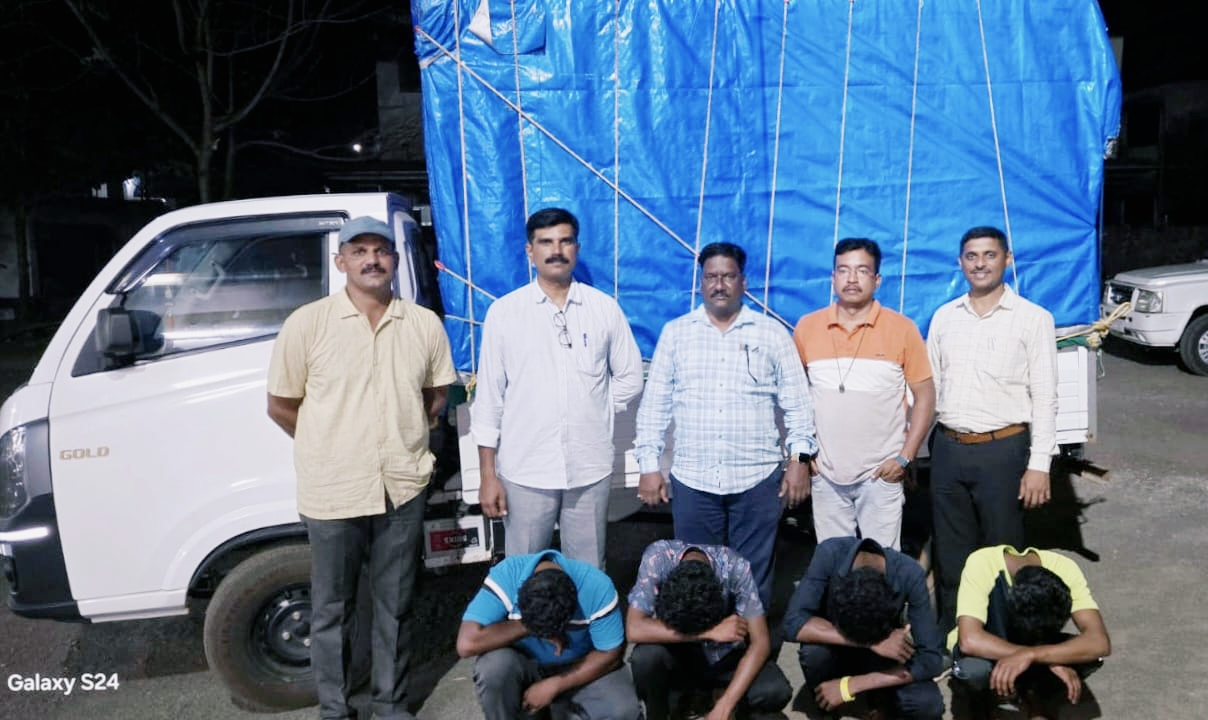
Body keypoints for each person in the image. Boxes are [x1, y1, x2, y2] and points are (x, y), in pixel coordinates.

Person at [266, 216, 457, 720]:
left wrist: (401, 439)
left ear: (394, 260)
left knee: (396, 604)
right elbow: (281, 405)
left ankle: (391, 704)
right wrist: (330, 445)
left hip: (402, 486)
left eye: (381, 250)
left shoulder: (422, 324)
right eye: (360, 251)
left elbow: (436, 397)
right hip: (333, 490)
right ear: (341, 262)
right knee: (332, 609)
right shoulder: (307, 324)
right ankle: (337, 708)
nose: (372, 260)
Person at [634, 241, 817, 608]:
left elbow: (799, 406)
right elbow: (654, 406)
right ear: (701, 283)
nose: (719, 285)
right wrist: (648, 467)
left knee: (753, 578)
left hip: (757, 479)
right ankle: (707, 640)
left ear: (743, 282)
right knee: (697, 576)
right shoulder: (676, 333)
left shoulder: (771, 334)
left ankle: (751, 640)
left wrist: (799, 461)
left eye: (728, 276)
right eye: (711, 277)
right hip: (694, 480)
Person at [472, 207, 643, 568]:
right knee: (523, 571)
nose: (556, 250)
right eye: (546, 242)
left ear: (576, 248)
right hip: (525, 469)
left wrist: (593, 406)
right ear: (530, 251)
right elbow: (488, 400)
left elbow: (630, 378)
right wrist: (488, 475)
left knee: (588, 569)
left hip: (589, 467)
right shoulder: (505, 313)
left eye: (565, 241)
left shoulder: (603, 309)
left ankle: (586, 610)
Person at [926, 225, 1059, 633]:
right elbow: (930, 389)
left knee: (1003, 553)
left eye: (989, 254)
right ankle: (955, 638)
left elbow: (1045, 396)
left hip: (1003, 451)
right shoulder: (945, 317)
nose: (980, 264)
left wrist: (1039, 465)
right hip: (948, 448)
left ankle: (1003, 637)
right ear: (960, 262)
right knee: (952, 555)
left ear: (1007, 259)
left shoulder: (1033, 319)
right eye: (971, 256)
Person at [793, 238, 935, 550]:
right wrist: (802, 458)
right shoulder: (807, 327)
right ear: (833, 278)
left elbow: (925, 396)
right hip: (825, 474)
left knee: (881, 563)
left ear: (877, 279)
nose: (852, 279)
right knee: (834, 561)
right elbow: (793, 400)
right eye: (843, 270)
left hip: (881, 475)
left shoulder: (902, 329)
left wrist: (905, 457)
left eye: (861, 271)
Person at [455, 550, 642, 720]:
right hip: (526, 665)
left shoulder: (596, 586)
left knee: (623, 709)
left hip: (579, 665)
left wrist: (556, 684)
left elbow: (611, 654)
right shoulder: (508, 575)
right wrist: (529, 625)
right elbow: (467, 643)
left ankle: (563, 708)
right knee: (494, 667)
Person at [626, 539, 792, 720]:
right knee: (646, 658)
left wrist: (725, 705)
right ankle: (663, 711)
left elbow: (761, 643)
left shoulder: (736, 567)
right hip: (681, 655)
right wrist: (709, 633)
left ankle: (714, 699)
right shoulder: (657, 557)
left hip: (725, 656)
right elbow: (634, 629)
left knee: (775, 690)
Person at [783, 537, 945, 720]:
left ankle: (881, 701)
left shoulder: (909, 573)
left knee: (927, 703)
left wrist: (852, 685)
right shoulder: (830, 553)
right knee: (813, 652)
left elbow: (931, 659)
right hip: (839, 648)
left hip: (882, 656)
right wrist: (871, 643)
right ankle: (826, 701)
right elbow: (792, 623)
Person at [949, 546, 1110, 719]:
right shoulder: (982, 563)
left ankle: (1035, 695)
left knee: (1090, 656)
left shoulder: (1064, 568)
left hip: (1039, 645)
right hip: (990, 640)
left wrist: (1032, 655)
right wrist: (1049, 659)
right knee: (973, 671)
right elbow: (970, 640)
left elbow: (1099, 642)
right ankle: (986, 700)